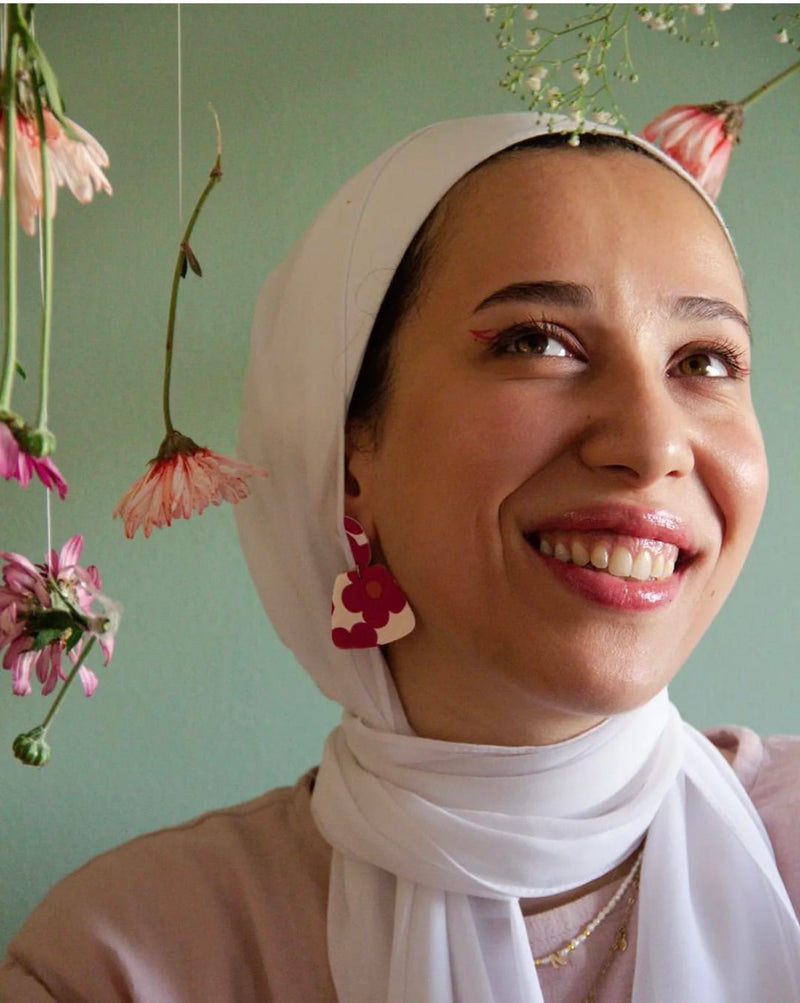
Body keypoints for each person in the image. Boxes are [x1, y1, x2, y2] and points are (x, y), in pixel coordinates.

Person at [2, 112, 799, 1002]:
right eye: (537, 341)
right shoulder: (123, 963)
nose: (652, 443)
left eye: (707, 361)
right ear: (345, 460)